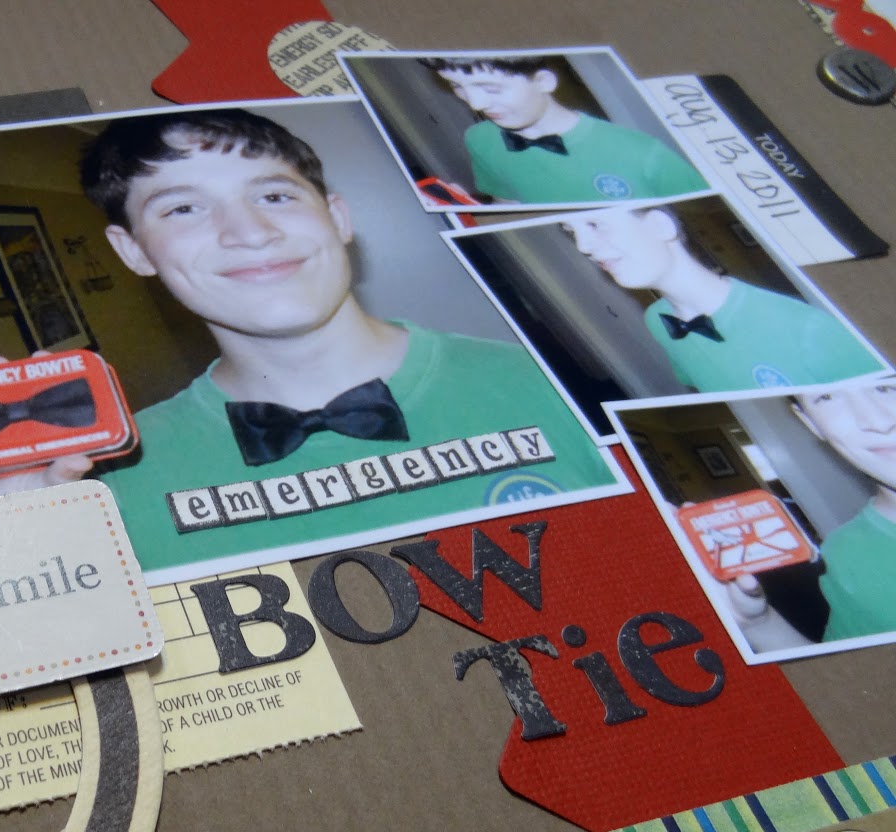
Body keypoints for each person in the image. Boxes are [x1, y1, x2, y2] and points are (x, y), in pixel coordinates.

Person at [74, 107, 616, 572]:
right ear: (134, 251)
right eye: (183, 209)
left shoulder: (555, 387)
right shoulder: (109, 483)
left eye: (275, 195)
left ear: (336, 217)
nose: (251, 233)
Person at [563, 205, 884, 392]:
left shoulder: (812, 328)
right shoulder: (657, 320)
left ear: (660, 225)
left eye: (594, 224)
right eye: (570, 232)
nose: (583, 246)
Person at [727, 379, 896, 648]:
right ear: (810, 422)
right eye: (826, 397)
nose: (877, 421)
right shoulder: (843, 554)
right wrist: (756, 622)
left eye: (886, 386)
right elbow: (849, 669)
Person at [422, 56, 707, 205]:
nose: (475, 103)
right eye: (457, 86)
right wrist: (467, 210)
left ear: (544, 81)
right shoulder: (480, 138)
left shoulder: (644, 152)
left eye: (491, 88)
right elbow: (509, 204)